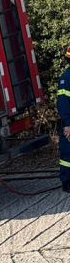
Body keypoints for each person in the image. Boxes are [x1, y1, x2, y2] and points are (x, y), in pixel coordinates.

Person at [58, 44, 70, 193]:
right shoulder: (66, 78)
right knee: (67, 154)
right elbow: (62, 102)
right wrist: (67, 124)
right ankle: (66, 182)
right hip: (69, 122)